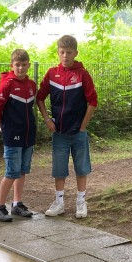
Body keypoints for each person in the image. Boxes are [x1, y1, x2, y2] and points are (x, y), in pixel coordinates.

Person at [36, 34, 98, 219]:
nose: (65, 56)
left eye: (69, 52)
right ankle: (59, 202)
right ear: (58, 52)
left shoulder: (82, 75)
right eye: (62, 52)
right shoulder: (51, 74)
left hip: (78, 133)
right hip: (59, 133)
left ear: (76, 53)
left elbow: (93, 102)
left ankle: (81, 202)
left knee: (81, 168)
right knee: (59, 169)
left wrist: (82, 126)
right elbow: (40, 97)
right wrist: (47, 119)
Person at [0, 48, 37, 222]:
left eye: (24, 65)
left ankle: (17, 204)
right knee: (11, 172)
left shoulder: (32, 84)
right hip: (12, 134)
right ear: (12, 65)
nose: (20, 68)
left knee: (22, 171)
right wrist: (1, 125)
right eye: (17, 65)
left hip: (28, 134)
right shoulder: (7, 83)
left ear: (28, 65)